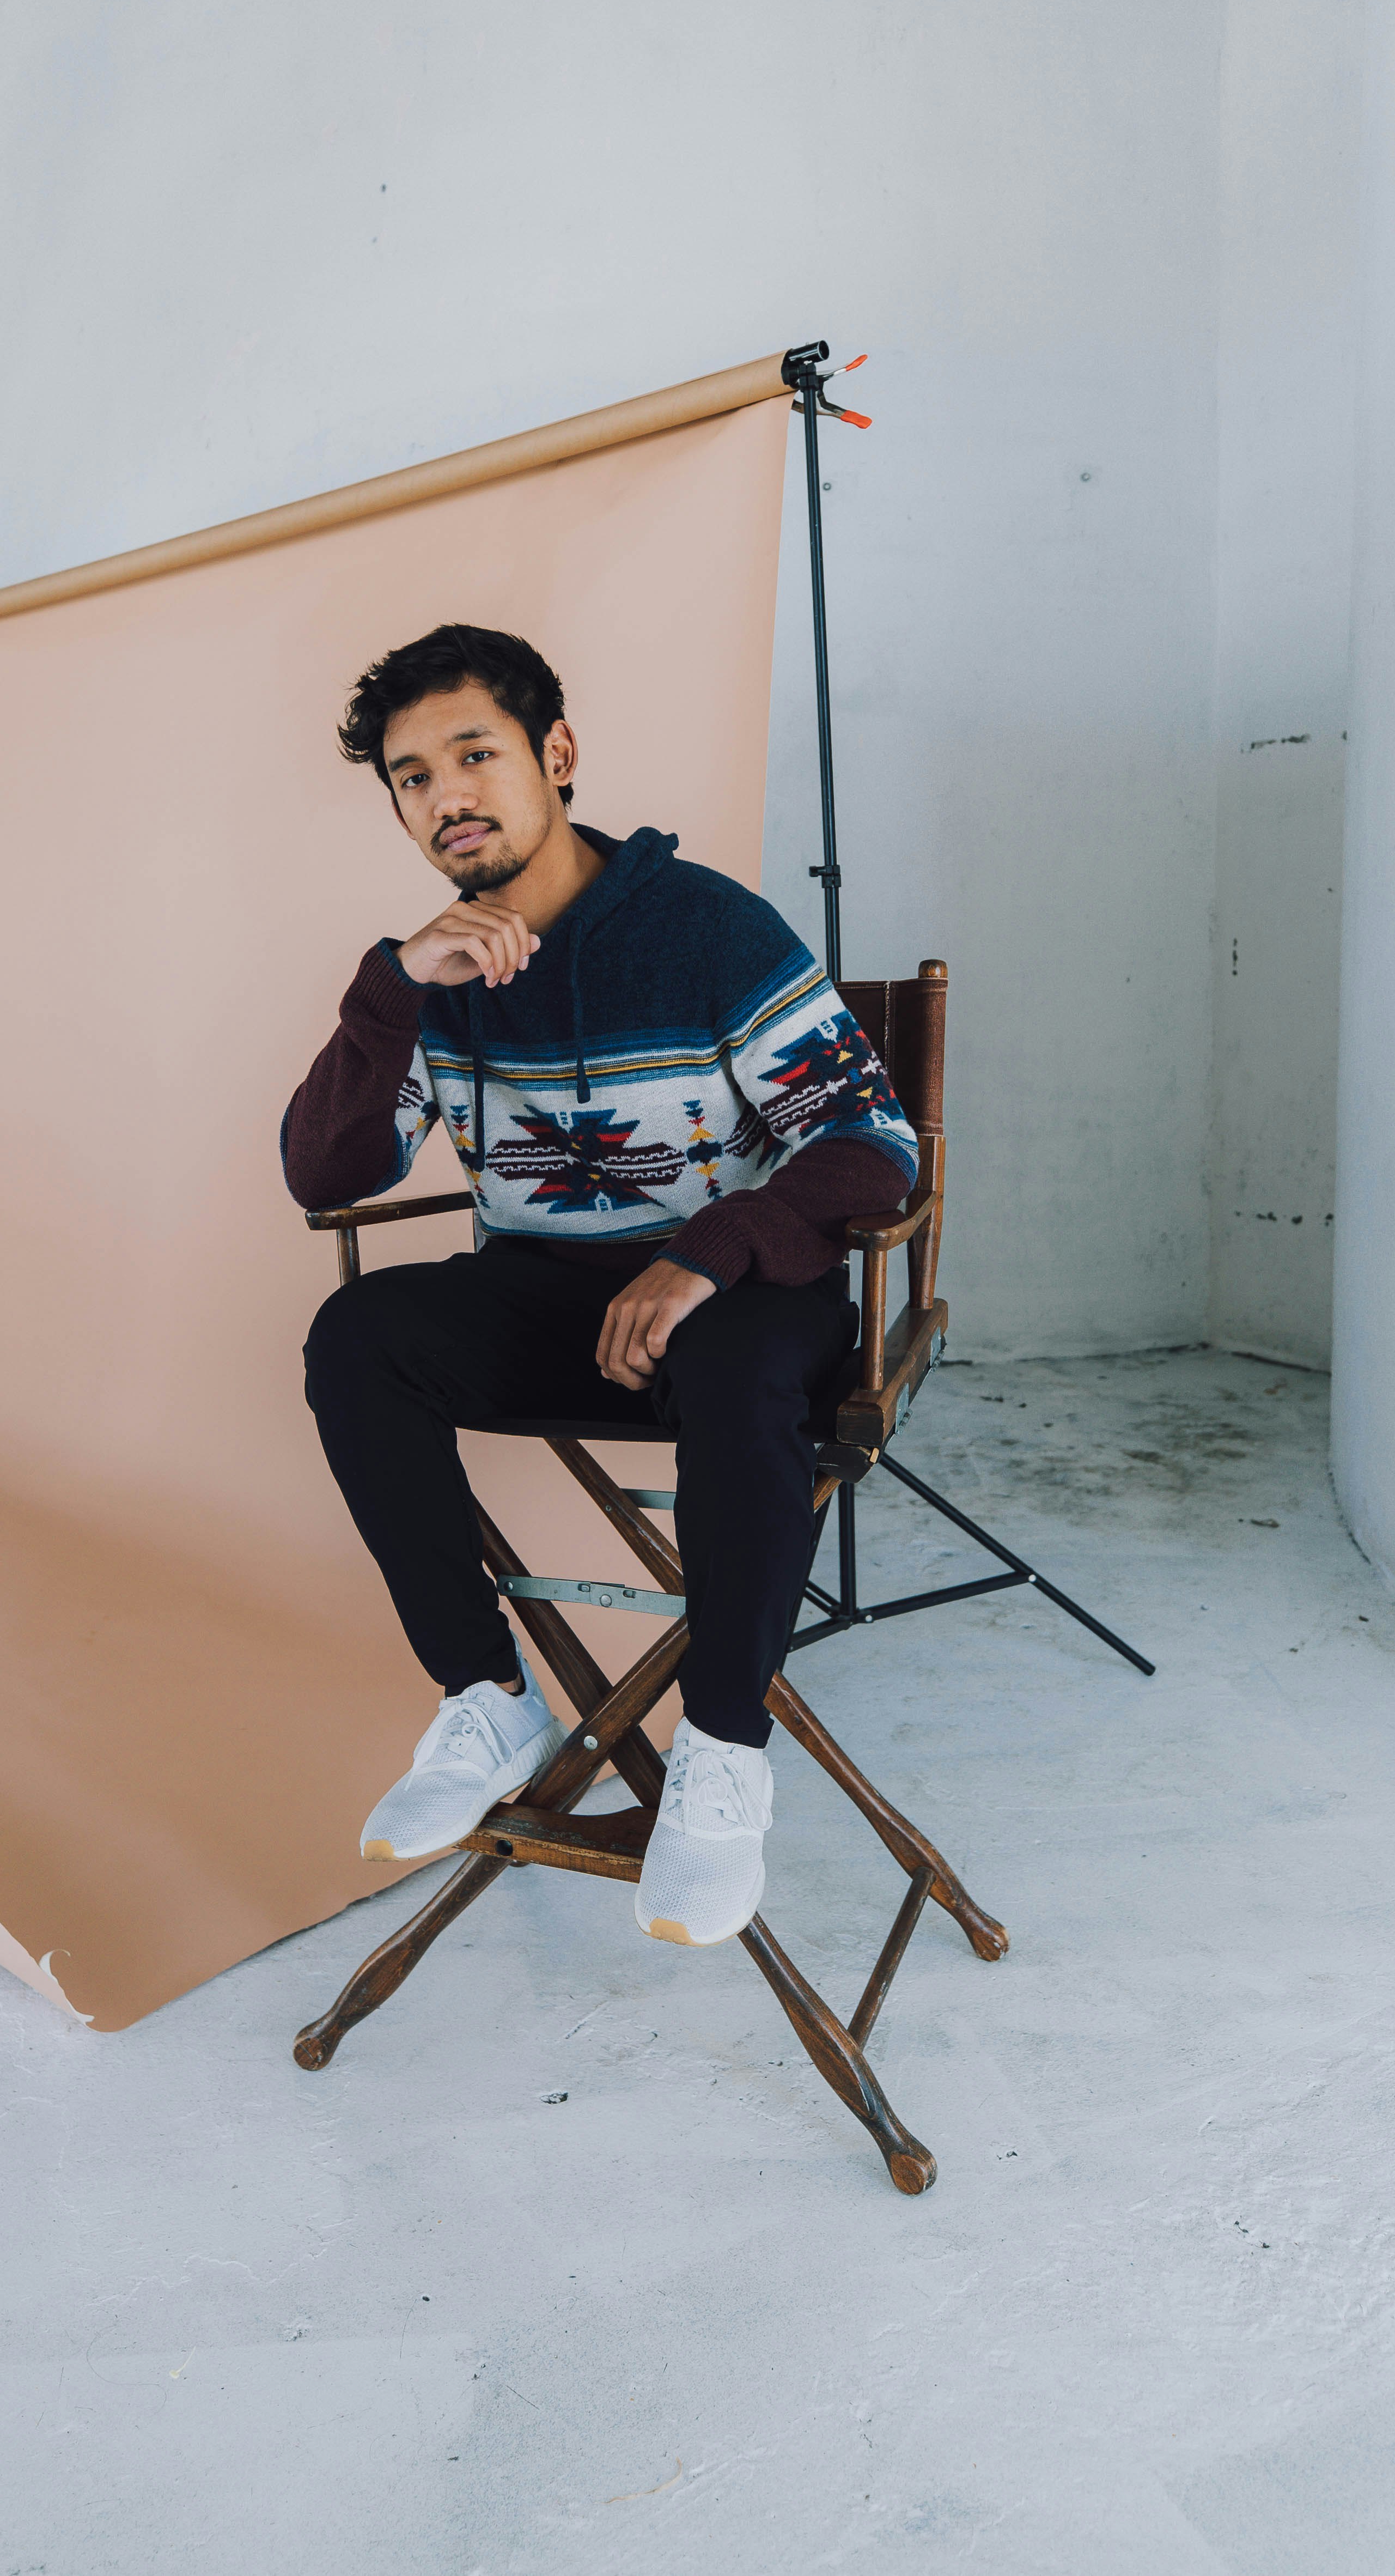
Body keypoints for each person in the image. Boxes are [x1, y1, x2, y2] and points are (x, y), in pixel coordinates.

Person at [284, 623, 918, 1946]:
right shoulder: (435, 975)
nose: (445, 795)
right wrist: (396, 987)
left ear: (555, 755)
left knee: (739, 1361)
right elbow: (322, 1171)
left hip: (743, 1299)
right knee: (358, 1334)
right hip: (549, 1299)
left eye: (474, 753)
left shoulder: (708, 934)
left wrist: (703, 1254)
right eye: (411, 776)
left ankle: (724, 1756)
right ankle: (488, 1698)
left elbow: (875, 1145)